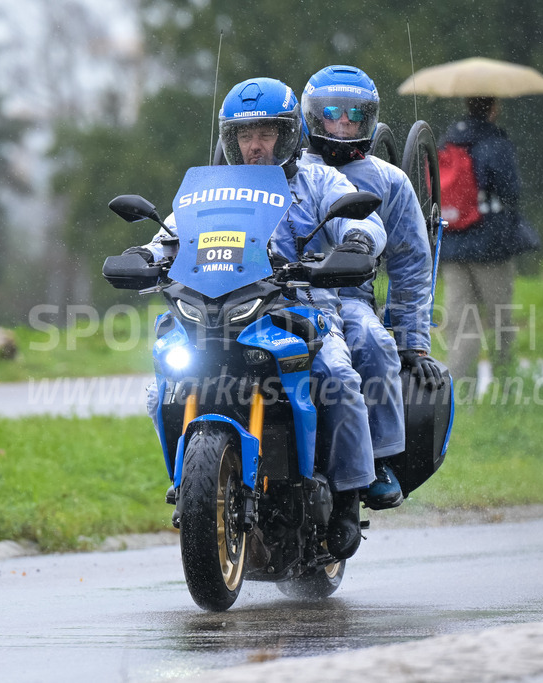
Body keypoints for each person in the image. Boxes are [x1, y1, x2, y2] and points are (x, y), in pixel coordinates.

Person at [125, 77, 388, 559]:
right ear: (230, 139)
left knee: (336, 375)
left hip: (302, 305)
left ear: (289, 133)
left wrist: (356, 242)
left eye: (266, 132)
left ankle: (348, 496)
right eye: (244, 135)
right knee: (161, 380)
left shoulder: (319, 179)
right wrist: (143, 254)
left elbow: (362, 218)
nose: (254, 145)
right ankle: (192, 480)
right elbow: (171, 234)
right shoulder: (210, 192)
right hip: (217, 309)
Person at [300, 65, 443, 509]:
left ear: (370, 118)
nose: (343, 124)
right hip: (283, 293)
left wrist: (412, 342)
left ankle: (378, 458)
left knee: (375, 344)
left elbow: (412, 264)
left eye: (355, 115)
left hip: (350, 298)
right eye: (331, 113)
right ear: (310, 117)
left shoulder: (390, 180)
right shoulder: (289, 172)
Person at [437, 97, 540, 399]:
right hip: (491, 247)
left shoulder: (448, 139)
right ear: (494, 108)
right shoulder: (495, 142)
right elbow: (511, 190)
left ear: (467, 105)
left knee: (460, 325)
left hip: (453, 245)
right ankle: (505, 391)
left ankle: (456, 399)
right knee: (500, 322)